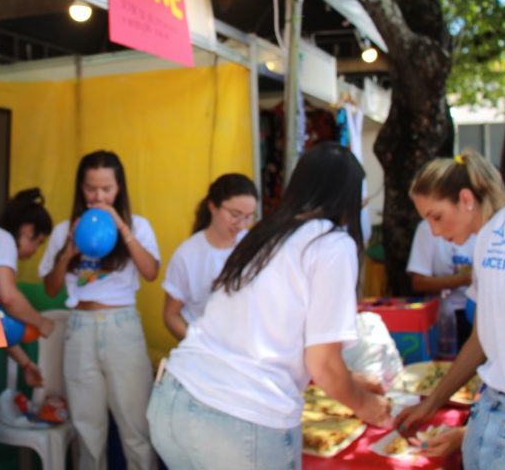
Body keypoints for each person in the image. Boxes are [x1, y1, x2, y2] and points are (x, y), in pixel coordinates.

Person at [146, 143, 391, 470]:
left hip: (173, 401)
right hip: (237, 418)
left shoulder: (263, 235)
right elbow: (323, 364)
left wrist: (351, 380)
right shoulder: (332, 244)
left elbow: (268, 341)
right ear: (346, 200)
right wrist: (365, 404)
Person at [395, 71, 505, 469]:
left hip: (492, 421)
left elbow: (484, 337)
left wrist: (435, 403)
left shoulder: (496, 230)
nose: (435, 230)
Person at [39, 150, 161, 470]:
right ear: (81, 188)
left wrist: (121, 226)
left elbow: (151, 272)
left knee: (136, 429)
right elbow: (50, 288)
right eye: (91, 189)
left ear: (119, 187)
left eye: (107, 189)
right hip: (79, 327)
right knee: (87, 430)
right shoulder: (66, 228)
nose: (99, 197)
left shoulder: (138, 225)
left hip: (123, 327)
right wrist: (68, 252)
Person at [0, 187, 54, 470]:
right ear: (27, 230)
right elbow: (10, 298)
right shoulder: (1, 238)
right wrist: (42, 322)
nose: (32, 253)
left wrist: (25, 362)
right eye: (37, 243)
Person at [407, 149, 505, 347]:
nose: (435, 232)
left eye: (437, 217)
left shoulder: (502, 241)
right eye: (427, 221)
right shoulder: (487, 241)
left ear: (466, 200)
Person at [162, 173, 258, 341]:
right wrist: (196, 342)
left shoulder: (253, 245)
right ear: (213, 206)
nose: (242, 224)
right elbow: (171, 315)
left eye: (249, 216)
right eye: (235, 215)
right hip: (207, 347)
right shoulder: (187, 256)